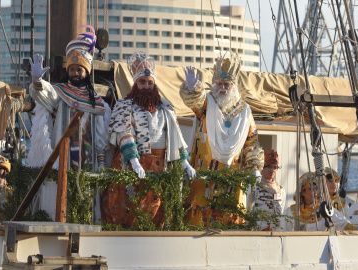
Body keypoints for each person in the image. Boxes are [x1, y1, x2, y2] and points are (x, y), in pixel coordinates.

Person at [100, 51, 196, 228]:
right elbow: (124, 132)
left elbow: (176, 137)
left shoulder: (166, 107)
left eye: (150, 83)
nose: (146, 86)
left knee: (157, 210)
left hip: (161, 166)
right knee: (127, 206)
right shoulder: (125, 105)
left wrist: (185, 162)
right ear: (136, 84)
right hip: (132, 164)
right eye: (142, 82)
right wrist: (134, 161)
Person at [180, 52, 264, 228]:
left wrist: (255, 167)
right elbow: (196, 102)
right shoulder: (207, 105)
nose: (223, 88)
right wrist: (193, 87)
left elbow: (252, 141)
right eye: (219, 84)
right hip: (203, 173)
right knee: (199, 216)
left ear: (234, 86)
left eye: (227, 84)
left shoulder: (245, 111)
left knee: (230, 218)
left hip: (232, 175)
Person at [28, 25, 111, 171]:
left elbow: (100, 135)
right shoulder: (60, 93)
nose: (75, 73)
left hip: (88, 158)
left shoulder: (96, 102)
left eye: (79, 70)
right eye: (72, 69)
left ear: (86, 72)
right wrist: (37, 81)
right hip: (62, 156)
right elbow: (45, 93)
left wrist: (102, 166)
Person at [282, 172, 358, 231]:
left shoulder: (325, 209)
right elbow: (282, 232)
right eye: (311, 189)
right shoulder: (290, 212)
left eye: (316, 189)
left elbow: (342, 223)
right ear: (302, 192)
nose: (315, 192)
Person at [252, 150, 285, 231]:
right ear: (262, 168)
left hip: (276, 233)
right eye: (269, 167)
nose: (272, 170)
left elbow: (282, 210)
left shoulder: (281, 189)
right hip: (258, 232)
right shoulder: (255, 187)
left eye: (275, 167)